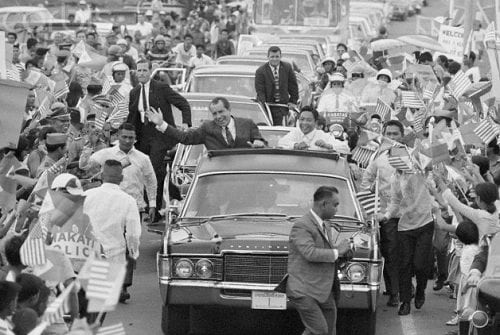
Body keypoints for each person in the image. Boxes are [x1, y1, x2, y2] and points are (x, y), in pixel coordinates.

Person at [127, 59, 191, 212]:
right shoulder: (134, 92)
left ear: (150, 72)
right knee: (140, 170)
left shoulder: (161, 88)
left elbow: (183, 104)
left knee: (153, 170)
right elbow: (132, 116)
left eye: (144, 70)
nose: (141, 73)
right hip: (142, 136)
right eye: (139, 70)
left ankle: (153, 209)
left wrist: (186, 123)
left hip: (160, 135)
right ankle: (146, 204)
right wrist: (126, 134)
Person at [286, 186, 351, 335]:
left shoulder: (325, 224)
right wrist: (337, 251)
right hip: (304, 290)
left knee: (328, 330)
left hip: (323, 289)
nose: (337, 209)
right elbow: (309, 253)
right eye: (335, 205)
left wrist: (343, 253)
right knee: (320, 331)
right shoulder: (302, 225)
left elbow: (326, 251)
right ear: (323, 204)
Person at [381, 157, 434, 316]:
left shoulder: (417, 169)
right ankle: (405, 301)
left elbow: (431, 166)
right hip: (405, 226)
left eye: (398, 156)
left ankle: (420, 290)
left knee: (419, 263)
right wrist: (387, 215)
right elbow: (395, 201)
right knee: (404, 264)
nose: (394, 160)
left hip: (424, 222)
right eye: (391, 158)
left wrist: (421, 160)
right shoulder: (395, 177)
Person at [83, 159, 141, 302]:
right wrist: (134, 253)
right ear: (121, 179)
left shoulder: (86, 195)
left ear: (102, 176)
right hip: (114, 254)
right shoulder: (128, 200)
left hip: (87, 251)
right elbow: (133, 234)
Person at [362, 120, 404, 307]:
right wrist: (371, 192)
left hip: (412, 216)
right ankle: (395, 292)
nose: (392, 137)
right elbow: (366, 182)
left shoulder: (412, 157)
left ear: (402, 136)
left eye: (396, 134)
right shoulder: (378, 159)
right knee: (391, 254)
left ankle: (408, 289)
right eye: (389, 134)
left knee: (411, 258)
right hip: (388, 216)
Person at [84, 123, 157, 220]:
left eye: (131, 138)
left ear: (135, 138)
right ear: (118, 136)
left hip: (134, 207)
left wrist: (152, 204)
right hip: (111, 207)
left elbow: (150, 181)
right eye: (124, 137)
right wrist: (86, 152)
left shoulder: (143, 158)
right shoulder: (106, 154)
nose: (127, 141)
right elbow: (86, 166)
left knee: (133, 235)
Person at [148, 96, 266, 150]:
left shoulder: (247, 124)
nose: (218, 117)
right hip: (218, 178)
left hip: (245, 177)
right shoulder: (207, 128)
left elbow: (260, 141)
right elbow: (184, 138)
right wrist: (162, 124)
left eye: (221, 112)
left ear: (229, 109)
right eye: (214, 114)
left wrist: (259, 142)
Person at [255, 46, 299, 125]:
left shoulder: (287, 67)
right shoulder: (261, 71)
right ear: (268, 57)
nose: (274, 59)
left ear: (280, 57)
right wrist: (264, 105)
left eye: (277, 57)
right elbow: (260, 90)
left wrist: (293, 101)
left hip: (282, 107)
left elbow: (293, 86)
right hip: (268, 107)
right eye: (272, 57)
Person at [278, 107, 350, 153]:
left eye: (308, 120)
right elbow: (280, 143)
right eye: (302, 119)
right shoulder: (295, 133)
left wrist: (327, 146)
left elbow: (345, 148)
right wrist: (295, 145)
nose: (304, 123)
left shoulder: (323, 135)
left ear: (315, 122)